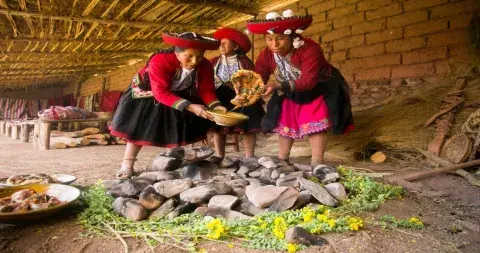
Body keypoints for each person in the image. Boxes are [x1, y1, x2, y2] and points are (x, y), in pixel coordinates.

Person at [109, 32, 227, 179]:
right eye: (189, 56)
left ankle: (173, 161)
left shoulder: (205, 65)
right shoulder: (160, 60)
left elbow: (206, 89)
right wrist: (191, 106)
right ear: (177, 53)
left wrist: (215, 105)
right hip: (148, 93)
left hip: (176, 91)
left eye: (200, 56)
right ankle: (127, 164)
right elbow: (160, 92)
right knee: (140, 127)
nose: (195, 61)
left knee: (177, 125)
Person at [247, 10, 354, 166]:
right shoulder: (267, 54)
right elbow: (259, 76)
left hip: (317, 88)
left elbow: (309, 81)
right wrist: (251, 90)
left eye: (280, 39)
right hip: (289, 88)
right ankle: (282, 160)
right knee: (285, 121)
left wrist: (277, 85)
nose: (274, 44)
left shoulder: (309, 49)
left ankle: (317, 162)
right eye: (269, 39)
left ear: (292, 37)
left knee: (314, 122)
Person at [209, 28, 265, 160]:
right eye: (220, 43)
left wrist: (245, 94)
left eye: (225, 43)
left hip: (241, 96)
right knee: (218, 126)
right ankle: (219, 156)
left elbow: (253, 80)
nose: (221, 46)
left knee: (248, 124)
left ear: (235, 46)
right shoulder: (213, 62)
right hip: (220, 96)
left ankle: (249, 157)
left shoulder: (244, 62)